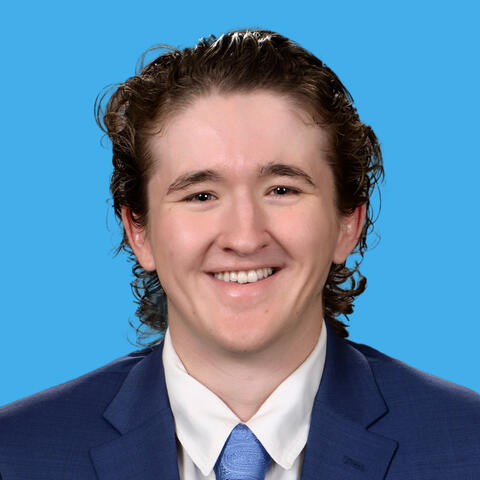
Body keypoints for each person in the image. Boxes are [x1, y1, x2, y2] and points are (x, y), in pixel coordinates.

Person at [0, 29, 479, 480]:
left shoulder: (466, 445)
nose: (245, 238)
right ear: (138, 231)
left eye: (282, 189)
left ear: (347, 223)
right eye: (201, 195)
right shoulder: (17, 451)